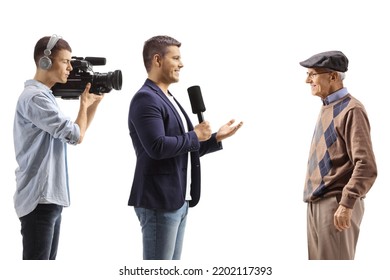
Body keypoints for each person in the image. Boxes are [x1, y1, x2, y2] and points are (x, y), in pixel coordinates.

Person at [128, 35, 243, 260]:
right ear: (158, 60)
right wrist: (194, 135)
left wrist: (215, 138)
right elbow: (157, 147)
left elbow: (182, 148)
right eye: (176, 58)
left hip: (178, 200)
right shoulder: (145, 99)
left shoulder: (168, 97)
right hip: (158, 201)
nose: (182, 64)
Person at [13, 34, 104, 260]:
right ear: (45, 62)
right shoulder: (35, 98)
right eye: (65, 61)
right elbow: (74, 135)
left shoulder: (45, 96)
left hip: (49, 198)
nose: (70, 68)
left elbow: (76, 134)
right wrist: (84, 105)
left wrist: (92, 105)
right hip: (39, 199)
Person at [299, 50, 377, 260]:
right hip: (316, 203)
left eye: (313, 74)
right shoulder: (328, 107)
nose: (307, 80)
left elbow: (366, 165)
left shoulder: (352, 110)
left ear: (333, 76)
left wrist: (346, 203)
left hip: (335, 203)